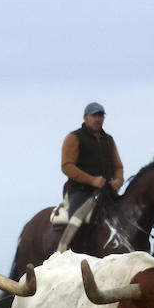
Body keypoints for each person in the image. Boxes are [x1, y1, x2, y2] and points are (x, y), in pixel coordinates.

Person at [55, 101, 124, 252]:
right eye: (94, 115)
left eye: (101, 115)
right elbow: (67, 165)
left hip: (106, 192)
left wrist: (118, 181)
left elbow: (118, 166)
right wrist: (91, 180)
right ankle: (65, 252)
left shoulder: (108, 140)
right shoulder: (74, 138)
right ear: (86, 118)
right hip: (81, 191)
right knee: (77, 221)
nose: (98, 119)